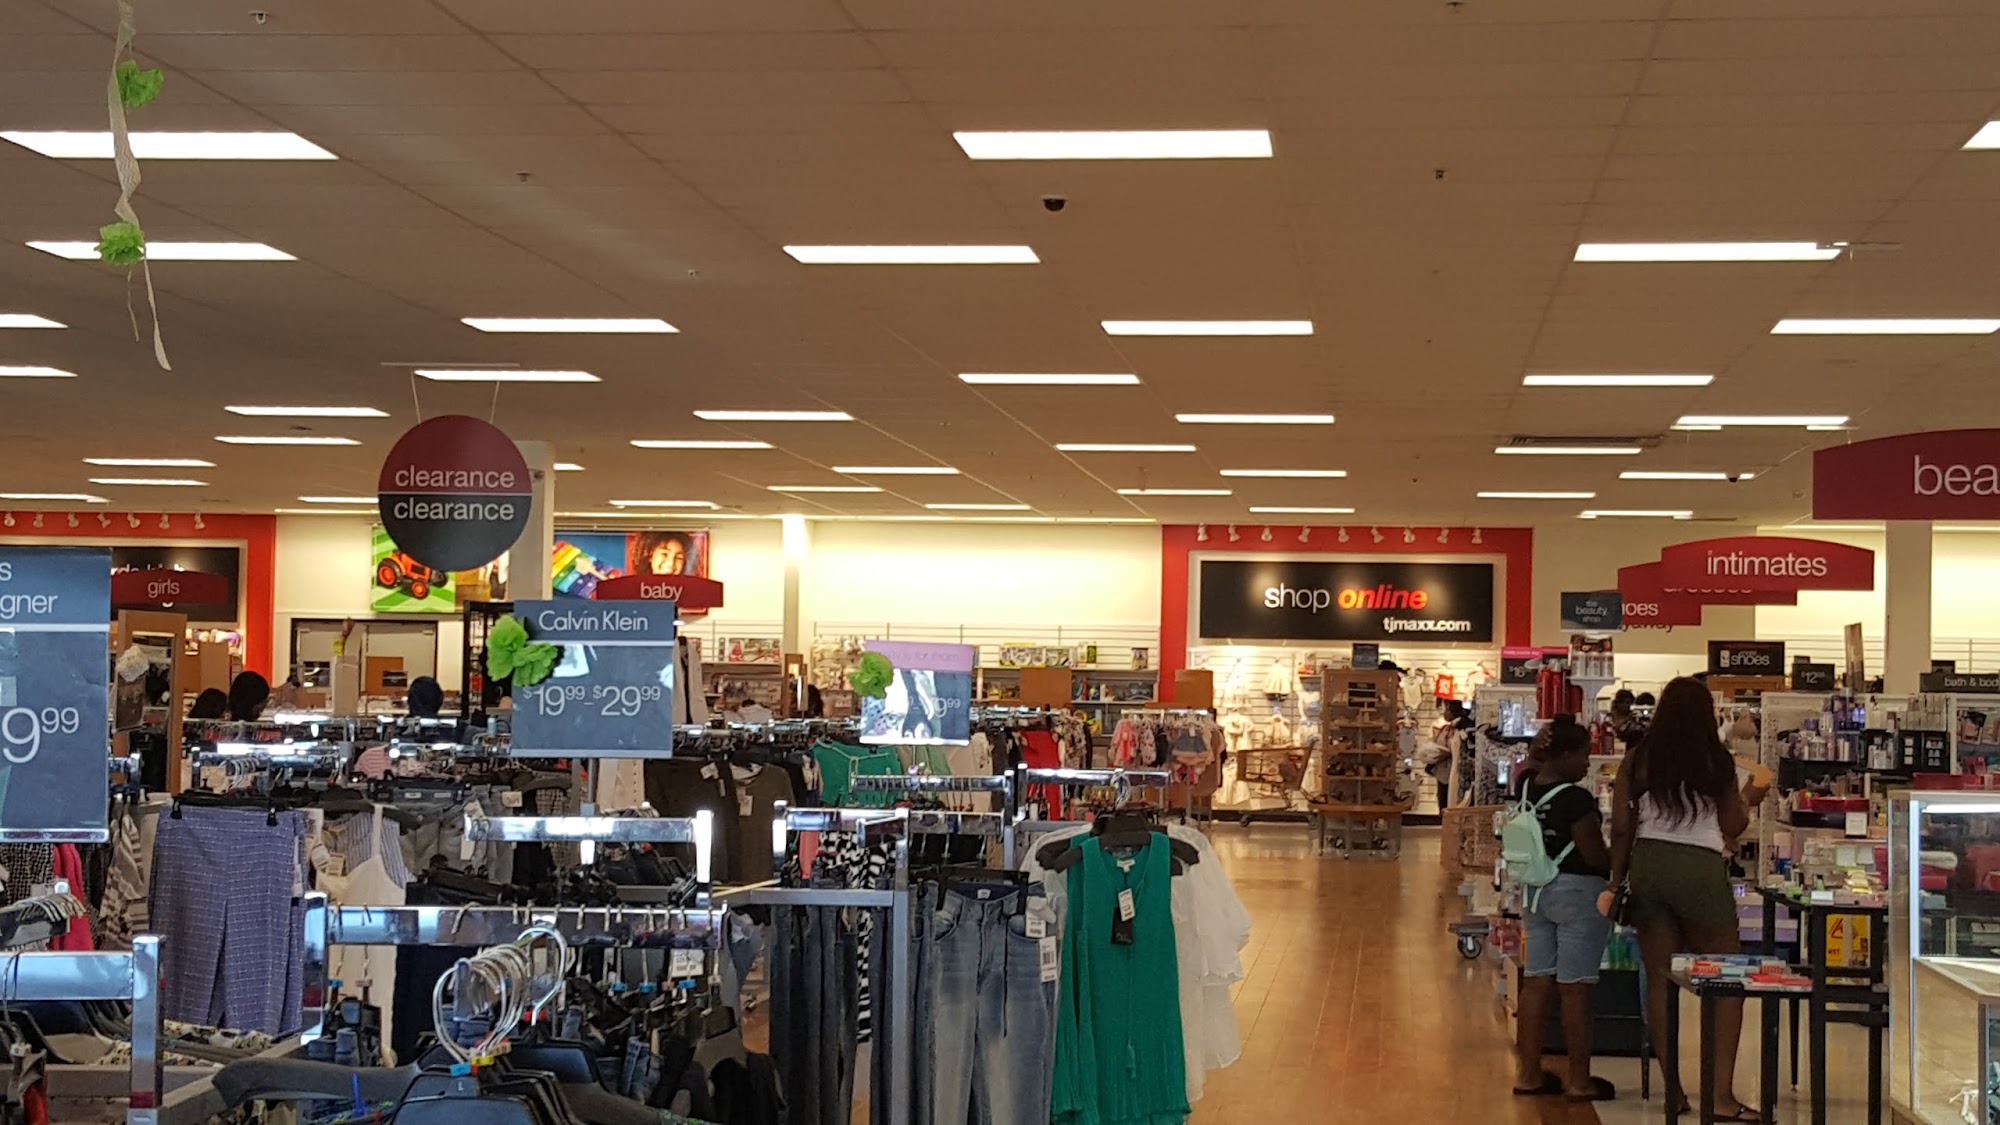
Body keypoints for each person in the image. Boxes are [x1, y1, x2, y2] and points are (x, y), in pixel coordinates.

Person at [1601, 677, 1758, 1121]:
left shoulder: (1639, 758)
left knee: (1660, 980)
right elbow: (1732, 826)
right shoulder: (1717, 761)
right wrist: (1747, 800)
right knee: (1727, 980)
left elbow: (1620, 827)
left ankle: (1673, 1091)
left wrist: (1616, 881)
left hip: (1648, 866)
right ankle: (1720, 1096)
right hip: (1699, 869)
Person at [1512, 715, 1615, 1102]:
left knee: (1536, 981)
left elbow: (1532, 763)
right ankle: (1578, 1080)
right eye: (1584, 756)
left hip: (1535, 891)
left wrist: (1538, 745)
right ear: (1567, 755)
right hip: (1577, 894)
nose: (1587, 764)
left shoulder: (1526, 786)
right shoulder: (1576, 800)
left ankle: (1528, 1074)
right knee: (1576, 989)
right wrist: (1618, 866)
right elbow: (1593, 854)